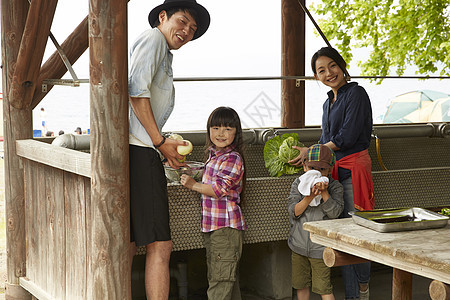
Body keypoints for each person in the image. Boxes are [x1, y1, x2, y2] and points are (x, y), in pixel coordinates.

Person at [127, 0, 210, 299]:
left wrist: (163, 147)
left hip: (140, 149)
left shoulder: (161, 50)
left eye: (193, 28)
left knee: (128, 242)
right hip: (139, 151)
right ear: (163, 16)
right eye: (183, 21)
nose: (186, 31)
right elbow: (136, 91)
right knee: (160, 244)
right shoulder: (152, 39)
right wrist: (161, 143)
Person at [290, 47, 374, 300]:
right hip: (334, 170)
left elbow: (346, 137)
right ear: (316, 77)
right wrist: (308, 154)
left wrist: (314, 150)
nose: (329, 73)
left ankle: (362, 288)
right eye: (321, 70)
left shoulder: (356, 93)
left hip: (354, 169)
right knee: (341, 236)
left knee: (357, 232)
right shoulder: (329, 102)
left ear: (342, 65)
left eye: (332, 66)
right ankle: (353, 296)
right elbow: (326, 140)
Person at [180, 107, 246, 300]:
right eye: (215, 128)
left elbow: (218, 189)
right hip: (214, 227)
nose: (220, 133)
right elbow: (210, 178)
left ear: (236, 132)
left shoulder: (232, 158)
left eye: (227, 129)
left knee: (220, 283)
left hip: (225, 228)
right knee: (225, 280)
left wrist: (193, 185)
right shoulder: (213, 155)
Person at [288, 144, 343, 300]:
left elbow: (335, 214)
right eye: (312, 168)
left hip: (321, 247)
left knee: (324, 288)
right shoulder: (298, 184)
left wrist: (325, 193)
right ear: (305, 167)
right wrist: (309, 197)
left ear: (330, 170)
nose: (316, 173)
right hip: (298, 245)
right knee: (301, 285)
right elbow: (294, 212)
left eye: (322, 170)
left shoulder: (335, 187)